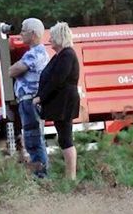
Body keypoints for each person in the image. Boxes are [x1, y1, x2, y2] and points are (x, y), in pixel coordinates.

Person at [36, 22, 81, 180]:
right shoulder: (60, 56)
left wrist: (41, 97)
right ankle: (69, 176)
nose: (50, 40)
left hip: (64, 102)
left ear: (60, 38)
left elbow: (57, 80)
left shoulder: (67, 55)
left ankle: (71, 177)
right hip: (59, 102)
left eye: (53, 37)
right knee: (63, 138)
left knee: (66, 138)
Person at [8, 18, 50, 177]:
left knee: (33, 139)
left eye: (24, 30)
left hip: (30, 101)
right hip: (28, 101)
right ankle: (41, 173)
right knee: (33, 138)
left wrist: (15, 67)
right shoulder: (34, 53)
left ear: (33, 34)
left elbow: (13, 71)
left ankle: (42, 176)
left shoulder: (35, 53)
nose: (20, 33)